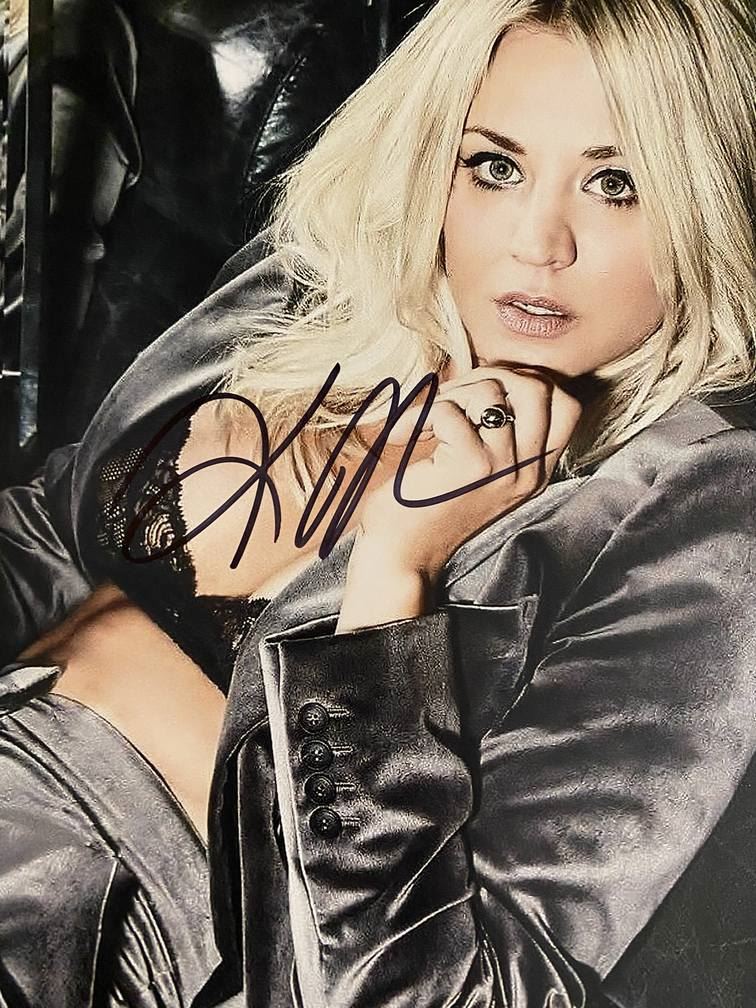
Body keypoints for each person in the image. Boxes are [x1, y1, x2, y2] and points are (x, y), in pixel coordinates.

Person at [0, 0, 754, 1005]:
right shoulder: (325, 283)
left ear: (706, 195)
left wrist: (396, 576)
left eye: (617, 184)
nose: (538, 242)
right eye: (494, 165)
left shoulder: (703, 510)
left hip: (91, 940)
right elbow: (52, 525)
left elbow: (422, 992)